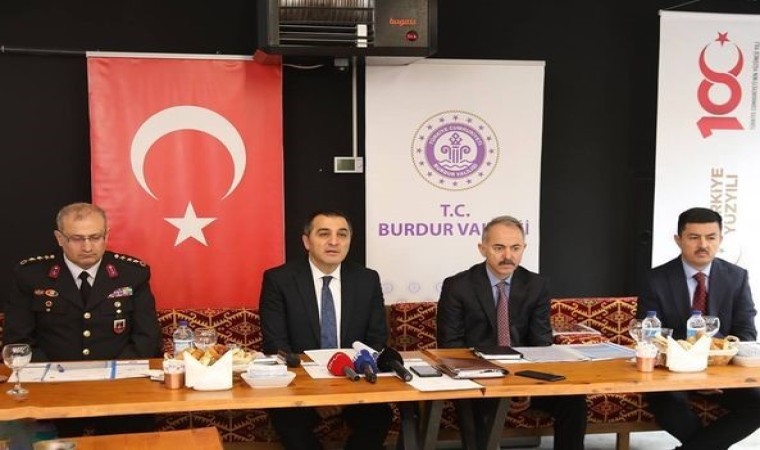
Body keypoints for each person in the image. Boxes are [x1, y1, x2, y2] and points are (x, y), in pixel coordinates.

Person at [5, 202, 162, 435]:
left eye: (95, 237)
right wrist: (56, 380)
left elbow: (147, 337)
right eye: (77, 239)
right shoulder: (31, 275)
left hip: (120, 388)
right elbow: (19, 340)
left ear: (106, 236)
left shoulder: (132, 274)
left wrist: (113, 380)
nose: (87, 246)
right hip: (51, 391)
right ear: (60, 238)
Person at [437, 215, 587, 450]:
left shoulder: (536, 285)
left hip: (525, 375)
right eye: (499, 248)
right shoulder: (458, 286)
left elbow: (541, 343)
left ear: (524, 248)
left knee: (573, 400)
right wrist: (498, 383)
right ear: (482, 249)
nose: (508, 256)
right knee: (474, 406)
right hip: (478, 378)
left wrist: (523, 386)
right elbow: (451, 346)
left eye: (515, 248)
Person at [259, 210, 392, 450]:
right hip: (299, 386)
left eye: (342, 234)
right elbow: (276, 344)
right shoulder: (279, 280)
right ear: (306, 241)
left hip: (354, 382)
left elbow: (376, 338)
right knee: (288, 421)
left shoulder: (367, 279)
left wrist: (344, 393)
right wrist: (315, 395)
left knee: (379, 417)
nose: (334, 241)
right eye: (324, 234)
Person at [638, 207, 760, 450]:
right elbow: (650, 335)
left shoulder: (736, 277)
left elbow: (745, 332)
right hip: (671, 373)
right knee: (669, 404)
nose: (703, 245)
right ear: (678, 240)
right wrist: (690, 371)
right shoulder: (656, 279)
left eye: (711, 237)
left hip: (720, 371)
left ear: (720, 239)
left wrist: (713, 372)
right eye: (694, 237)